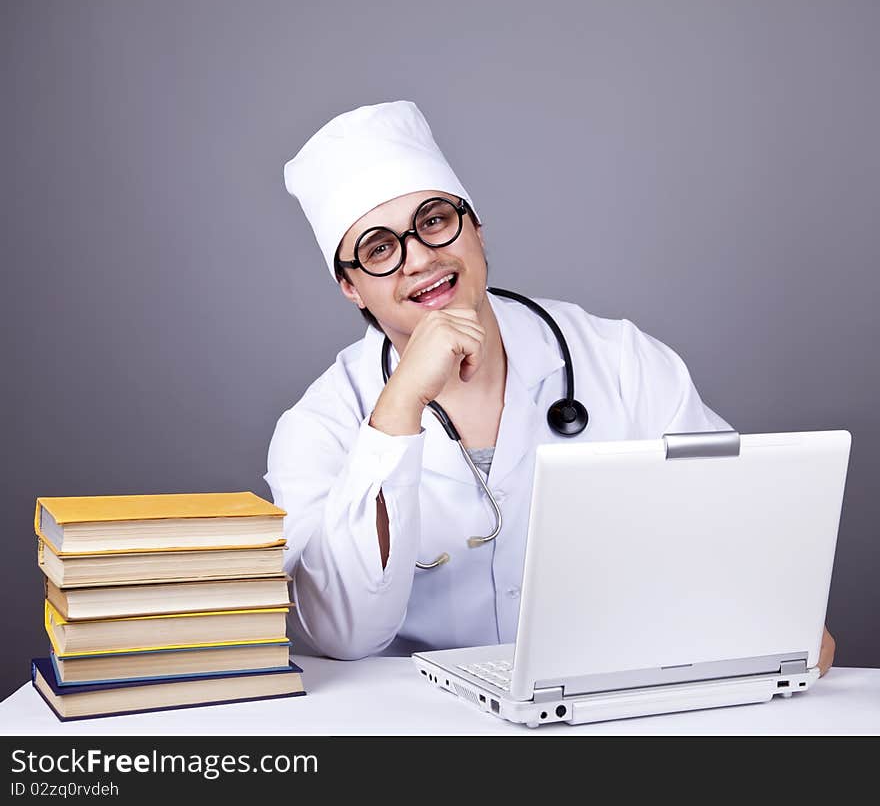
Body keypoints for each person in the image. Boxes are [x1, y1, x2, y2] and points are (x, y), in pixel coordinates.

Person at [266, 100, 835, 674]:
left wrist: (782, 610)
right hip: (417, 726)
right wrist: (399, 406)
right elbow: (342, 634)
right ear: (351, 287)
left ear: (476, 227)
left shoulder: (620, 361)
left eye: (435, 220)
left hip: (615, 703)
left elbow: (737, 523)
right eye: (380, 249)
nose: (419, 258)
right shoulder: (321, 426)